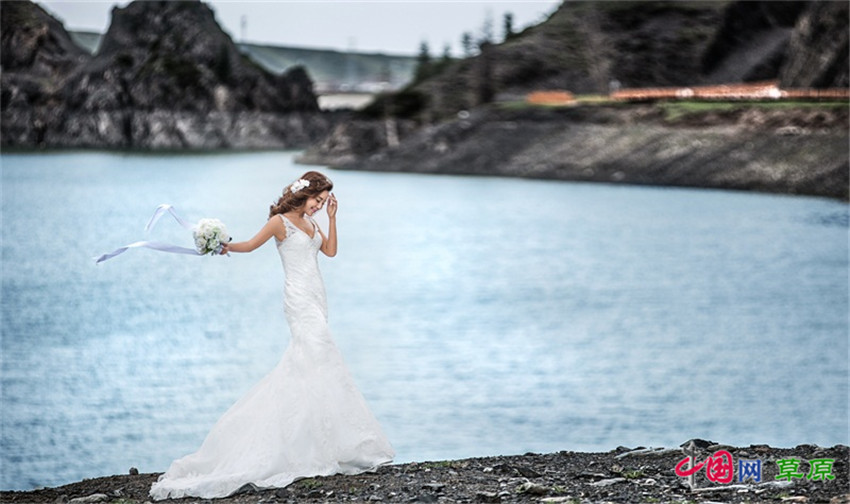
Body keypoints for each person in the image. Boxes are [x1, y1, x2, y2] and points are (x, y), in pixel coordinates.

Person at [150, 171, 394, 500]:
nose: (320, 206)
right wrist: (221, 246)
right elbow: (250, 245)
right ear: (304, 194)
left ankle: (321, 443)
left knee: (312, 367)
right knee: (319, 358)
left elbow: (331, 252)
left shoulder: (313, 223)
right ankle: (305, 446)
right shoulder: (281, 221)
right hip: (298, 301)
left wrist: (334, 219)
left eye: (323, 203)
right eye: (318, 201)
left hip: (318, 299)